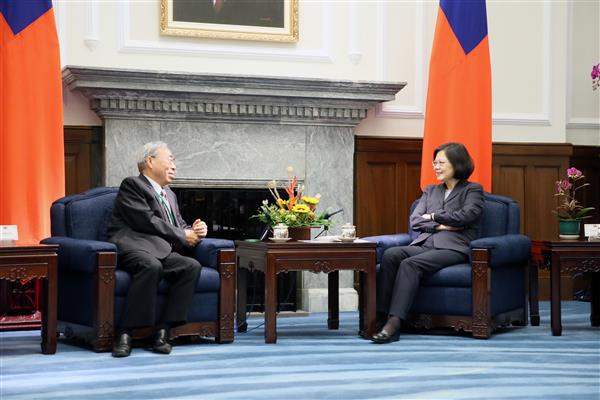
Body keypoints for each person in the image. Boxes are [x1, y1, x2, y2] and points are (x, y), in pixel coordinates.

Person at [372, 142, 484, 344]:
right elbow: (415, 220)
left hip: (453, 247)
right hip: (426, 243)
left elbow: (467, 216)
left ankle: (394, 323)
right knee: (391, 255)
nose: (436, 167)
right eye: (435, 163)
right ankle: (380, 317)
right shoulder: (430, 190)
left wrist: (433, 216)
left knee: (410, 264)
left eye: (441, 163)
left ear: (457, 163)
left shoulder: (472, 190)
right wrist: (441, 226)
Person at [107, 142, 208, 357]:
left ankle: (163, 331)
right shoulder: (133, 185)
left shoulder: (169, 194)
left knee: (191, 266)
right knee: (151, 266)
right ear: (150, 161)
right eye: (170, 159)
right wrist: (183, 235)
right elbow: (146, 220)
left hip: (162, 251)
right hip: (135, 246)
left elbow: (178, 225)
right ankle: (126, 333)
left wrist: (195, 231)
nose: (174, 165)